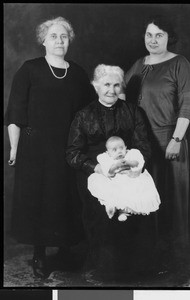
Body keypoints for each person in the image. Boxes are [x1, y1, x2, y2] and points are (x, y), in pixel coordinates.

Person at [4, 16, 95, 278]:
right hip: (36, 150)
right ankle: (39, 254)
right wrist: (13, 149)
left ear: (69, 42)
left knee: (66, 198)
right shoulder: (29, 69)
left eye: (64, 36)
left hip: (69, 149)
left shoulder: (77, 73)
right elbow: (15, 113)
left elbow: (90, 112)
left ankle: (65, 251)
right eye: (53, 36)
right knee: (40, 199)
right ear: (43, 40)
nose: (59, 41)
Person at [66, 64, 157, 281]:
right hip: (97, 171)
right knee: (103, 210)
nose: (111, 90)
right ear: (96, 86)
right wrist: (97, 168)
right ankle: (105, 268)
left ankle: (137, 269)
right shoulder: (83, 115)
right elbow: (73, 153)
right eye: (106, 84)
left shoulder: (133, 112)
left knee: (140, 202)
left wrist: (133, 164)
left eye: (117, 85)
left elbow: (144, 145)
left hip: (129, 167)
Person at [125, 15, 190, 256]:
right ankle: (149, 258)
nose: (153, 40)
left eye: (159, 35)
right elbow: (123, 99)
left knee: (170, 201)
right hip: (141, 145)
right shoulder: (139, 64)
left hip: (169, 141)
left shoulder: (180, 63)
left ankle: (174, 261)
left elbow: (188, 103)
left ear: (169, 38)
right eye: (149, 35)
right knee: (143, 201)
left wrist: (176, 140)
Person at [88, 136, 160, 221]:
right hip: (114, 179)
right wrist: (116, 166)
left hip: (129, 178)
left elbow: (138, 163)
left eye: (121, 148)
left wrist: (129, 162)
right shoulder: (106, 158)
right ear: (108, 152)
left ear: (126, 147)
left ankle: (122, 212)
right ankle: (110, 205)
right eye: (114, 150)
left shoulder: (132, 154)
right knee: (109, 190)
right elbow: (108, 171)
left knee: (130, 194)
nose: (119, 152)